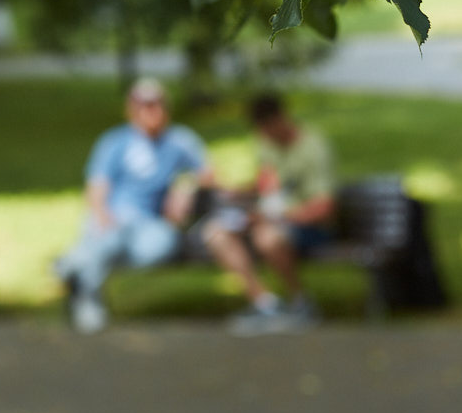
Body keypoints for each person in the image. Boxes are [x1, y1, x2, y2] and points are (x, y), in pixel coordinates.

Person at [56, 77, 212, 333]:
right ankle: (88, 299)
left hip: (150, 223)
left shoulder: (179, 140)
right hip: (115, 217)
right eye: (144, 105)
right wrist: (103, 216)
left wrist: (185, 185)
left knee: (160, 245)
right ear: (131, 109)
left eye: (157, 104)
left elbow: (209, 173)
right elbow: (96, 188)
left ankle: (76, 263)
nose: (152, 111)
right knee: (109, 240)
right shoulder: (114, 142)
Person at [203, 92, 336, 334]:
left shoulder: (313, 148)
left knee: (268, 237)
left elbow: (324, 208)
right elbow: (267, 186)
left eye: (266, 129)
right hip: (267, 219)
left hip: (308, 225)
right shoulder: (266, 145)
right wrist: (235, 193)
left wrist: (280, 216)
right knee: (216, 233)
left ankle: (301, 303)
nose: (263, 136)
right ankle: (265, 304)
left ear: (280, 119)